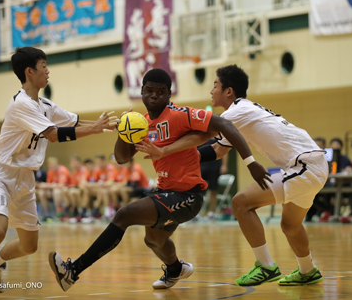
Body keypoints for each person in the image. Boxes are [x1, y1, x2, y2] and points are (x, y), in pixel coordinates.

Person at [48, 68, 270, 292]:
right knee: (154, 240)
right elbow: (123, 158)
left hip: (188, 196)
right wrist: (124, 131)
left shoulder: (180, 115)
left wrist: (251, 162)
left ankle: (73, 271)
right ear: (141, 92)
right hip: (164, 193)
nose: (154, 95)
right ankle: (176, 269)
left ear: (169, 95)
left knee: (125, 214)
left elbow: (226, 125)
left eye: (160, 91)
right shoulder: (141, 124)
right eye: (149, 90)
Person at [137, 65, 328, 287]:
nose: (211, 91)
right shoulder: (241, 114)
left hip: (305, 166)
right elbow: (216, 150)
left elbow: (202, 136)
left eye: (215, 85)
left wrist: (168, 150)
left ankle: (265, 265)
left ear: (228, 91)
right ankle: (308, 271)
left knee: (241, 203)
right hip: (311, 165)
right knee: (290, 225)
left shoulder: (236, 111)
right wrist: (183, 159)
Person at [0, 46, 118, 300]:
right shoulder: (21, 104)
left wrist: (102, 125)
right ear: (30, 72)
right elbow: (53, 135)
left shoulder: (45, 105)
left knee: (29, 246)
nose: (48, 71)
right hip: (1, 173)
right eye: (44, 66)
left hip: (25, 179)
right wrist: (94, 130)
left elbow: (72, 122)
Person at [199, 138, 228, 218]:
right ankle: (197, 212)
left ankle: (211, 213)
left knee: (213, 190)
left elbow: (225, 151)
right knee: (199, 191)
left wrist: (224, 165)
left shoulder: (218, 136)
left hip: (214, 166)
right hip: (202, 166)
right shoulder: (200, 135)